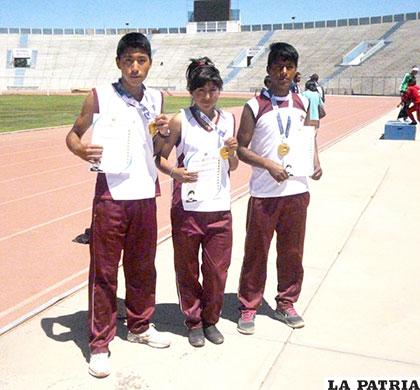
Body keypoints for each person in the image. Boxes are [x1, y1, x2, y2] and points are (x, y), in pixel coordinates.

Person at [65, 32, 171, 378]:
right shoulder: (101, 96)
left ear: (150, 63)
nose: (135, 67)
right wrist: (81, 149)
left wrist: (163, 134)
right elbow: (73, 135)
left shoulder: (157, 98)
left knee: (143, 267)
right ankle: (99, 343)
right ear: (118, 63)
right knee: (104, 271)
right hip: (111, 194)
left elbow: (154, 148)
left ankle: (139, 326)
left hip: (144, 193)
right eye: (129, 61)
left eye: (141, 60)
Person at [235, 42, 322, 335]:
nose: (283, 72)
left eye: (289, 67)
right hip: (265, 194)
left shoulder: (303, 103)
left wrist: (316, 161)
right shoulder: (254, 106)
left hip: (297, 191)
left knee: (292, 252)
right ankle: (249, 305)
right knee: (256, 252)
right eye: (277, 67)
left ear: (296, 71)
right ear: (269, 70)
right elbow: (241, 150)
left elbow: (310, 137)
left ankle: (286, 302)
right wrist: (268, 165)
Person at [154, 57, 238, 347]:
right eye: (200, 90)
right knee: (187, 267)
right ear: (192, 91)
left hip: (218, 205)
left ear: (219, 90)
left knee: (216, 270)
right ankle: (193, 321)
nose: (206, 96)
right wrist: (174, 172)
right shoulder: (180, 119)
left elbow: (234, 165)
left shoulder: (228, 119)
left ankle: (211, 319)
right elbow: (161, 158)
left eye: (213, 89)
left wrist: (234, 151)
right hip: (187, 208)